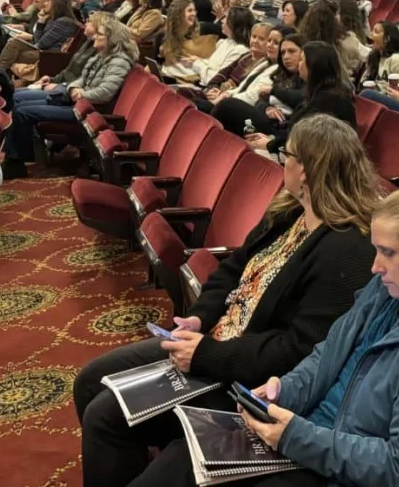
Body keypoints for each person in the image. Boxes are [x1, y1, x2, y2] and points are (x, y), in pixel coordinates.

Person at [74, 115, 381, 487]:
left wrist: (206, 354)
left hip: (244, 375)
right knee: (91, 380)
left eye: (288, 155)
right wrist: (199, 319)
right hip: (212, 343)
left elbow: (297, 350)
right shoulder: (289, 214)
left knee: (106, 416)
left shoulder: (346, 249)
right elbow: (231, 270)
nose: (282, 161)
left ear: (306, 171)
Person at [0, 17, 136, 180]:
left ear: (112, 39)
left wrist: (81, 93)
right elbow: (82, 79)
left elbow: (105, 93)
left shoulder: (119, 61)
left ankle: (16, 161)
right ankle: (16, 158)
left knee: (23, 112)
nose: (95, 36)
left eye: (99, 34)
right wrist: (73, 88)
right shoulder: (102, 56)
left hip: (88, 113)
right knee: (20, 105)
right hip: (76, 103)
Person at [11, 12, 106, 109]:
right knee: (14, 94)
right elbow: (68, 71)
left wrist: (58, 85)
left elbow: (84, 81)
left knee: (18, 100)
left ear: (98, 27)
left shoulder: (98, 51)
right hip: (63, 86)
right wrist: (52, 79)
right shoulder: (88, 43)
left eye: (89, 22)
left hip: (69, 95)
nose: (85, 23)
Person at [0, 0, 78, 70]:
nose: (45, 4)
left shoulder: (63, 22)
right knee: (14, 42)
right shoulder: (54, 19)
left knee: (13, 54)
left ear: (57, 4)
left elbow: (40, 44)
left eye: (49, 1)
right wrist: (41, 21)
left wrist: (40, 23)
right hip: (43, 50)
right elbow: (37, 41)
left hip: (51, 55)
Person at [361, 20, 399, 87]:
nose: (371, 34)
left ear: (387, 38)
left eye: (376, 32)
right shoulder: (374, 56)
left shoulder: (398, 60)